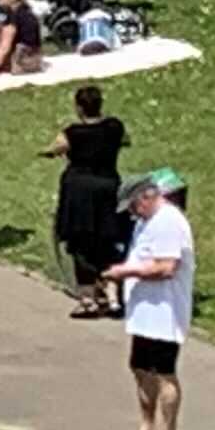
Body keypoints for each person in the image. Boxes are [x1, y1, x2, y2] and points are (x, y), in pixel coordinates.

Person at [106, 168, 197, 430]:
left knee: (164, 373)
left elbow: (166, 267)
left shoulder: (169, 222)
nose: (132, 213)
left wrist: (126, 271)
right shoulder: (147, 222)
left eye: (133, 206)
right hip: (145, 312)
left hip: (165, 312)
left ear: (146, 197)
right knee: (140, 367)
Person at [47, 83, 130, 316]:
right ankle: (114, 298)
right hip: (107, 189)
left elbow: (56, 148)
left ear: (79, 108)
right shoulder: (114, 127)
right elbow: (126, 140)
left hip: (79, 192)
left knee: (80, 245)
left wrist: (51, 152)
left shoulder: (73, 132)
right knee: (108, 242)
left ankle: (88, 300)